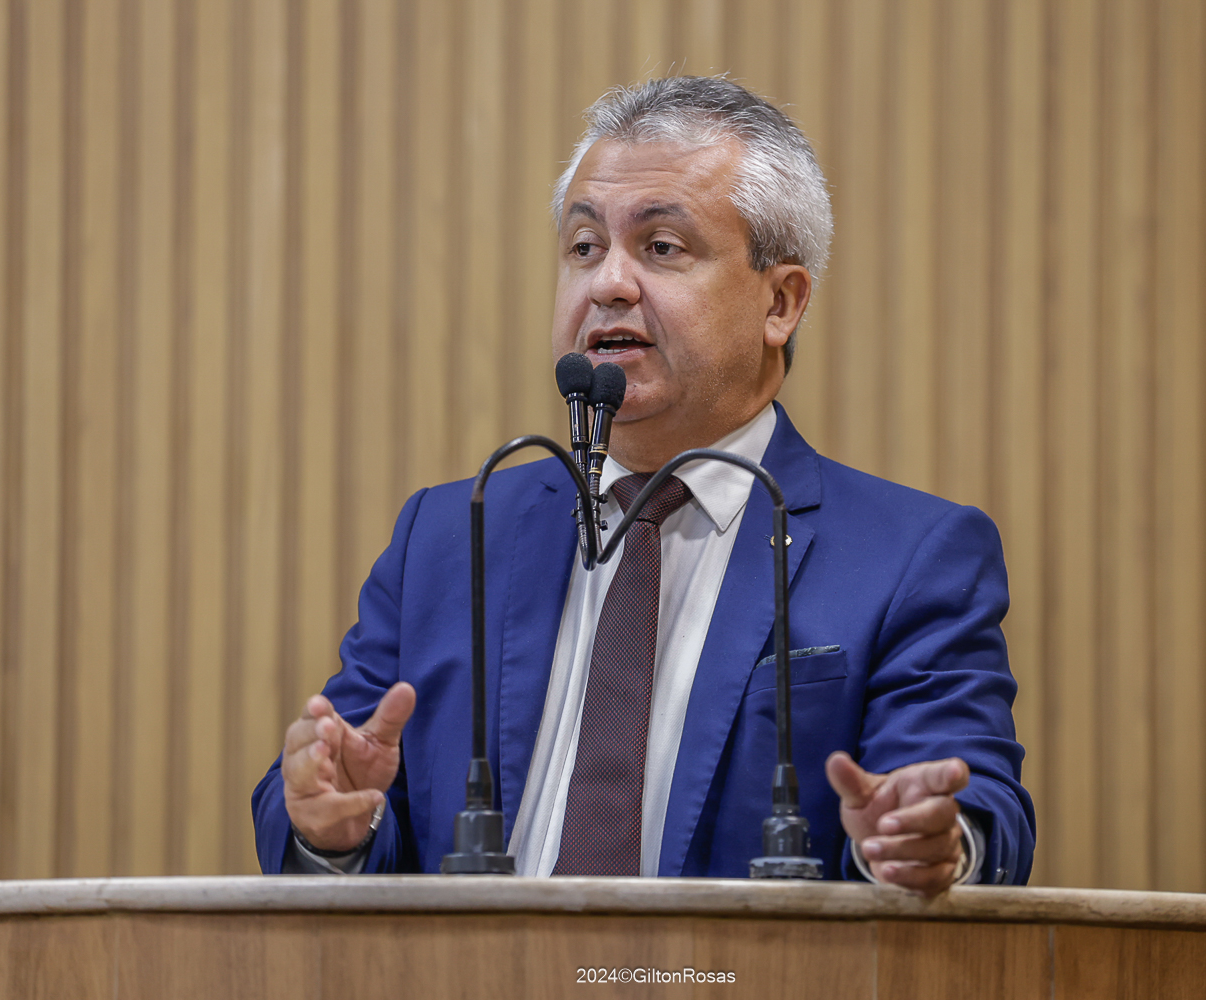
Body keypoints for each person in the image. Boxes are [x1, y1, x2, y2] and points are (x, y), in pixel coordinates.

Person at [252, 76, 1034, 895]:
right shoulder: (451, 536)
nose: (608, 284)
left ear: (781, 302)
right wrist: (331, 824)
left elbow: (977, 806)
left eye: (661, 247)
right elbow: (330, 800)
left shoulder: (909, 557)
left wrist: (927, 840)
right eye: (584, 247)